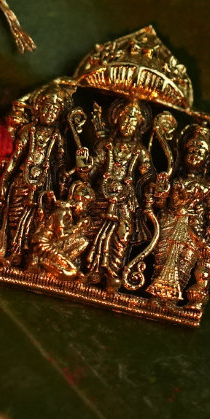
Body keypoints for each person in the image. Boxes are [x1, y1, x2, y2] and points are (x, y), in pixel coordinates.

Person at [0, 83, 70, 262]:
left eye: (55, 109)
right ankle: (11, 252)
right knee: (15, 215)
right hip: (22, 180)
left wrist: (63, 180)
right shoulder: (28, 131)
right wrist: (5, 181)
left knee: (37, 220)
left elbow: (61, 164)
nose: (50, 112)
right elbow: (16, 158)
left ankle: (29, 257)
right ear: (38, 109)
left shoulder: (57, 136)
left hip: (44, 184)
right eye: (46, 107)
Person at [83, 97, 156, 290]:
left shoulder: (140, 152)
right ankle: (90, 270)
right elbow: (90, 171)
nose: (128, 124)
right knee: (91, 229)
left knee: (122, 236)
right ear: (116, 120)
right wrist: (83, 165)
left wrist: (155, 186)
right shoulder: (104, 145)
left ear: (140, 126)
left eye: (133, 121)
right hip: (101, 195)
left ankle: (113, 273)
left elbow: (148, 176)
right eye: (125, 119)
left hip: (125, 201)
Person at [147, 124, 210, 305]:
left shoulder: (208, 185)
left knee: (184, 263)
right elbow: (160, 205)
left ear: (207, 159)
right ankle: (155, 298)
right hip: (169, 223)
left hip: (192, 229)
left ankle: (171, 302)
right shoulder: (174, 180)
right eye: (192, 148)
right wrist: (161, 192)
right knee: (162, 259)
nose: (195, 153)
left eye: (200, 151)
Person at [26, 181, 97, 280]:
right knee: (71, 272)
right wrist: (78, 227)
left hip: (54, 244)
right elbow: (61, 236)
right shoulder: (62, 212)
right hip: (43, 244)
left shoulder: (69, 214)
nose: (85, 209)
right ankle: (40, 263)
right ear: (78, 201)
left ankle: (46, 263)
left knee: (83, 242)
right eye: (85, 204)